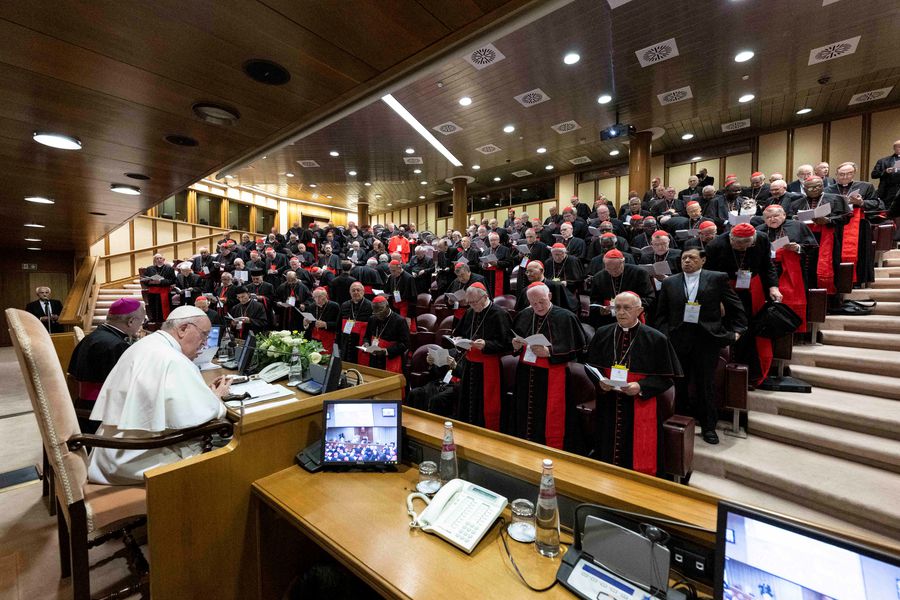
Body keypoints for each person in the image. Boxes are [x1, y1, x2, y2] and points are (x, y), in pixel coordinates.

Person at [87, 305, 230, 485]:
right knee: (226, 447)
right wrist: (216, 398)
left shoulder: (148, 344)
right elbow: (203, 418)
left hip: (112, 451)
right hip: (136, 458)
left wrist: (201, 395)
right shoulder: (171, 358)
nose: (205, 342)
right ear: (184, 329)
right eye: (204, 334)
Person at [655, 249, 747, 444]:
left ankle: (708, 427)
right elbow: (661, 313)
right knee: (679, 384)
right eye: (684, 258)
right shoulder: (670, 282)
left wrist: (738, 331)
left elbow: (734, 305)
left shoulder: (716, 278)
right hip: (678, 340)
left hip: (707, 339)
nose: (687, 261)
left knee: (706, 385)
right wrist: (665, 335)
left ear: (703, 260)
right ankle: (680, 422)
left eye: (692, 258)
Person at [585, 292, 682, 476]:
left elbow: (667, 378)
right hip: (608, 405)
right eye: (617, 308)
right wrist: (599, 381)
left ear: (639, 310)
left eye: (627, 308)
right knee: (606, 450)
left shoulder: (656, 338)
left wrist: (641, 387)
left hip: (639, 404)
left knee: (636, 454)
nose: (621, 312)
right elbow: (589, 365)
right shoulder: (603, 333)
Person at [509, 283, 585, 450]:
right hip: (525, 373)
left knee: (551, 416)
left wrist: (550, 351)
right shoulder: (524, 314)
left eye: (542, 301)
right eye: (533, 303)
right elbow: (513, 339)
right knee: (525, 412)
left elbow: (578, 348)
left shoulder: (566, 317)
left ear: (549, 296)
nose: (538, 307)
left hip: (552, 375)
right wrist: (514, 346)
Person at [705, 223, 781, 385]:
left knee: (750, 329)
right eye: (738, 244)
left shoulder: (762, 239)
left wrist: (773, 287)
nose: (742, 248)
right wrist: (716, 300)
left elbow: (768, 266)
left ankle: (752, 373)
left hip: (752, 288)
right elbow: (709, 276)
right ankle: (729, 374)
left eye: (747, 244)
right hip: (726, 289)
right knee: (731, 328)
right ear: (731, 238)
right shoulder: (715, 245)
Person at [68, 298, 146, 434]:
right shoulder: (116, 345)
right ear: (131, 321)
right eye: (141, 321)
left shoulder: (94, 336)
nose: (141, 325)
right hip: (100, 414)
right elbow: (128, 386)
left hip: (82, 406)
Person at [452, 283, 512, 431]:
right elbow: (459, 333)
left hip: (489, 367)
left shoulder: (499, 314)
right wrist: (458, 340)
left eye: (475, 302)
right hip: (469, 365)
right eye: (469, 303)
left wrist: (486, 345)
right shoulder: (470, 312)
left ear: (485, 297)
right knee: (468, 402)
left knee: (486, 405)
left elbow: (507, 344)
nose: (472, 305)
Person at [825, 162, 884, 285]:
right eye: (841, 174)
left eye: (849, 173)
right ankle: (838, 281)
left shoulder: (866, 186)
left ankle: (858, 281)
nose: (845, 177)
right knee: (835, 255)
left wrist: (861, 202)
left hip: (859, 227)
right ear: (836, 174)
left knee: (860, 253)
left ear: (854, 174)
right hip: (836, 226)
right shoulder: (827, 190)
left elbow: (877, 204)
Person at [589, 250, 654, 328]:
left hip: (634, 318)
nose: (613, 272)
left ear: (622, 263)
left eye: (616, 269)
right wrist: (600, 309)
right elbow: (594, 300)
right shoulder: (599, 277)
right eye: (609, 269)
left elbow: (649, 297)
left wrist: (629, 307)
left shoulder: (639, 273)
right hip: (608, 320)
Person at [359, 296, 409, 374]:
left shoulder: (400, 321)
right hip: (373, 360)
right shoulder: (372, 319)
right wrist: (366, 343)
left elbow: (405, 344)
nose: (378, 315)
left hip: (391, 360)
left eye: (380, 311)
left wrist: (386, 351)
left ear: (387, 306)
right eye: (375, 312)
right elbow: (366, 336)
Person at [337, 282, 372, 363]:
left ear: (363, 292)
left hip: (360, 342)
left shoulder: (370, 306)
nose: (356, 292)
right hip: (346, 341)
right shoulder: (344, 305)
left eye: (358, 290)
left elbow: (372, 327)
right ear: (350, 292)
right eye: (353, 290)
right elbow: (338, 325)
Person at [304, 287, 340, 354]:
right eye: (315, 297)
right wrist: (306, 323)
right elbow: (311, 323)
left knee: (325, 358)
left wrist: (326, 324)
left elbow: (339, 324)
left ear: (325, 296)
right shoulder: (312, 306)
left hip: (328, 337)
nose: (317, 299)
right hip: (314, 337)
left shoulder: (334, 306)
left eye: (319, 297)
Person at [141, 253, 176, 321]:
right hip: (152, 293)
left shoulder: (169, 269)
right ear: (154, 260)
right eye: (157, 258)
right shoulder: (149, 269)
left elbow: (173, 281)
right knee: (153, 309)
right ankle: (154, 322)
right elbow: (144, 279)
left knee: (164, 311)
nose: (159, 260)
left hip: (164, 292)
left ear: (163, 260)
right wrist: (150, 282)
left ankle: (164, 322)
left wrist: (161, 282)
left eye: (160, 258)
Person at [871, 140, 900, 217]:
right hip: (887, 192)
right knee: (887, 215)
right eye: (899, 146)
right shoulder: (883, 161)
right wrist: (885, 171)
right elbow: (874, 175)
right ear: (894, 148)